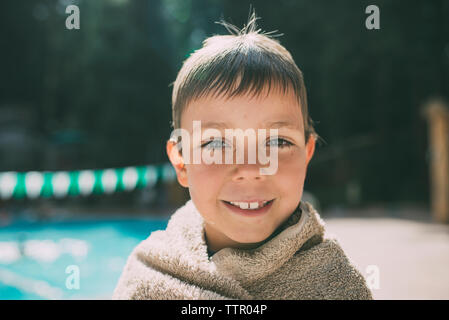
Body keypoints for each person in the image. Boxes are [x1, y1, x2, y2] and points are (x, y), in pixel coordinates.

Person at [112, 11, 373, 300]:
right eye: (216, 144)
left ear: (307, 154)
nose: (249, 168)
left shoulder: (337, 284)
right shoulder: (148, 277)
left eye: (276, 142)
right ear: (181, 162)